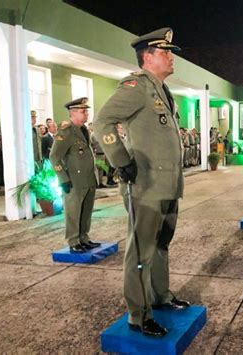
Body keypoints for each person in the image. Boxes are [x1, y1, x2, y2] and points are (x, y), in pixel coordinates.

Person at [93, 27, 190, 338]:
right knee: (140, 252)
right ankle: (138, 314)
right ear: (148, 57)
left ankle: (160, 296)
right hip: (145, 186)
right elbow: (102, 121)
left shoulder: (160, 90)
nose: (171, 57)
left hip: (166, 184)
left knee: (161, 244)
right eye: (165, 52)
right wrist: (121, 160)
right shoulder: (137, 87)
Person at [49, 98, 101, 253]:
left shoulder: (84, 130)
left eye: (86, 111)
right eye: (83, 111)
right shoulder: (66, 131)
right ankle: (73, 241)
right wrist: (63, 178)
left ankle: (84, 238)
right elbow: (54, 156)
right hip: (74, 180)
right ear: (73, 113)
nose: (86, 114)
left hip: (88, 178)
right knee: (73, 211)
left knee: (86, 211)